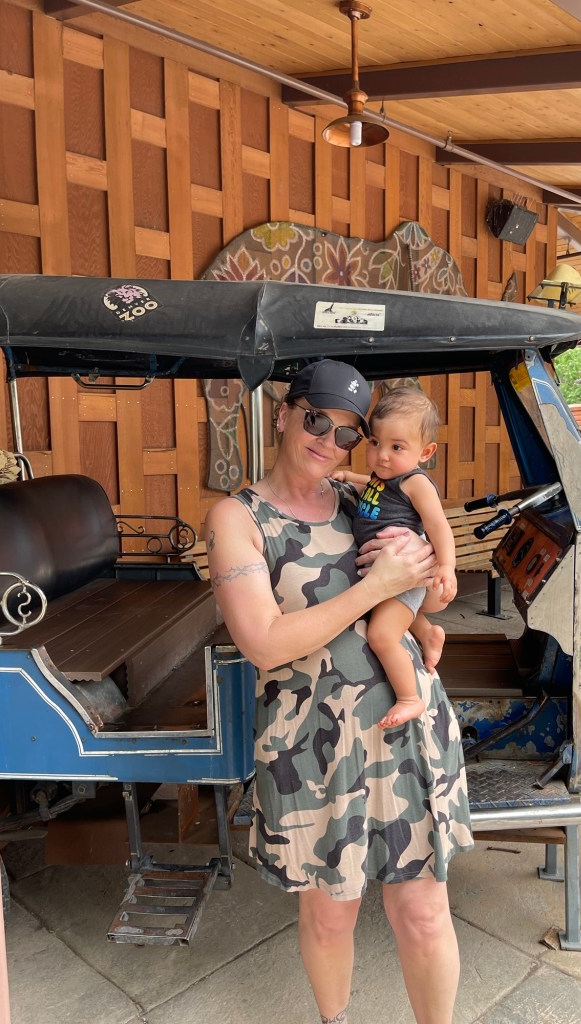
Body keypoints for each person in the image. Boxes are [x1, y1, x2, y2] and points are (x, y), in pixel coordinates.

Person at [205, 359, 473, 1024]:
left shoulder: (364, 499)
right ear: (283, 414)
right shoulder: (239, 518)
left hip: (404, 734)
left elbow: (425, 581)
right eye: (316, 419)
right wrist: (377, 588)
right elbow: (263, 642)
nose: (330, 439)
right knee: (330, 915)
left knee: (423, 911)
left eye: (349, 432)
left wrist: (424, 614)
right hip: (312, 749)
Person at [332, 387, 457, 729]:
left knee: (382, 635)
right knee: (387, 613)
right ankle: (427, 633)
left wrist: (447, 566)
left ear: (426, 452)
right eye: (375, 443)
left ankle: (410, 698)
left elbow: (438, 525)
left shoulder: (416, 483)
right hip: (386, 574)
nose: (382, 456)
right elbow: (373, 489)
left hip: (403, 574)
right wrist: (349, 477)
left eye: (397, 447)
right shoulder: (385, 477)